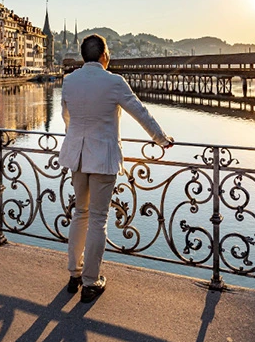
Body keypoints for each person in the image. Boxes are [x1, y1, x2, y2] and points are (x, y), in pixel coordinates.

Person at [59, 34, 173, 303]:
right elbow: (140, 111)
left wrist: (75, 139)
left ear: (83, 55)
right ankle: (90, 282)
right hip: (103, 159)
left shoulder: (69, 81)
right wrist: (161, 139)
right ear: (104, 55)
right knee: (98, 219)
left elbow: (67, 116)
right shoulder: (113, 81)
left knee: (80, 215)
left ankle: (74, 275)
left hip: (77, 157)